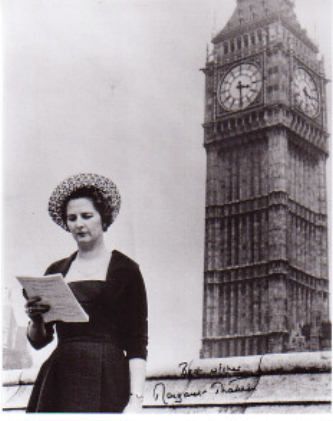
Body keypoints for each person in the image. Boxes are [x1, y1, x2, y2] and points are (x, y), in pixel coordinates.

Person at [23, 173, 148, 413]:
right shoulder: (56, 270)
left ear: (103, 218)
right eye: (72, 218)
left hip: (108, 376)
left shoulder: (126, 269)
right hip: (60, 376)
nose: (79, 224)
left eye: (87, 216)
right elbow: (40, 341)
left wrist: (136, 400)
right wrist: (35, 318)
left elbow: (137, 341)